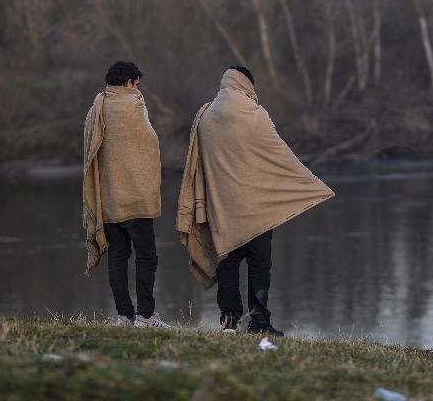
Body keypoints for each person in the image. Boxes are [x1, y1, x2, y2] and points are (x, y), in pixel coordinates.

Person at [176, 66, 334, 336]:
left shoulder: (205, 117)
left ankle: (229, 321)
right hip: (257, 208)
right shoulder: (255, 114)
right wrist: (309, 183)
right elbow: (279, 154)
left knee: (227, 263)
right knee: (259, 265)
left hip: (221, 208)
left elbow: (198, 165)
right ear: (246, 84)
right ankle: (259, 322)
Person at [82, 61, 170, 329]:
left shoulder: (96, 107)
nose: (138, 89)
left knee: (118, 257)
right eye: (136, 84)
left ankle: (124, 316)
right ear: (128, 82)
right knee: (146, 256)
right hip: (135, 199)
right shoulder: (132, 105)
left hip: (108, 199)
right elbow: (149, 144)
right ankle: (146, 316)